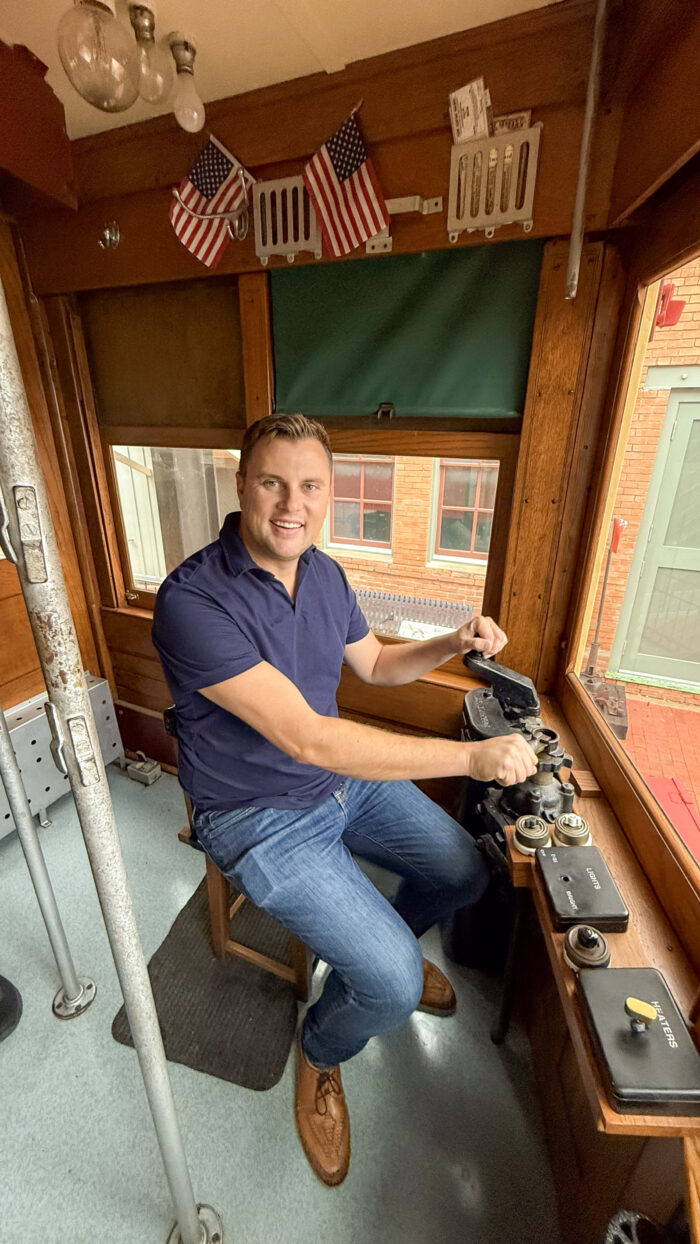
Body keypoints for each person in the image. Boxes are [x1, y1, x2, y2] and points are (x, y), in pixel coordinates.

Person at [152, 413, 537, 1187]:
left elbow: (377, 669)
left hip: (331, 783)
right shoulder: (192, 600)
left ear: (327, 495)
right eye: (272, 482)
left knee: (463, 870)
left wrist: (451, 642)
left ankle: (373, 964)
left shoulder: (324, 573)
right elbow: (309, 739)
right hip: (254, 815)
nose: (291, 503)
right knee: (395, 982)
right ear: (242, 485)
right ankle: (324, 1047)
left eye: (311, 486)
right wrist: (469, 756)